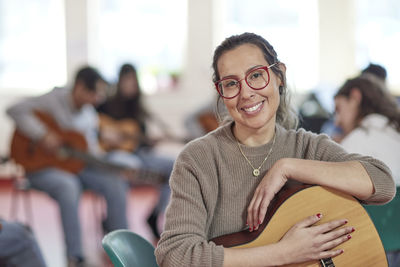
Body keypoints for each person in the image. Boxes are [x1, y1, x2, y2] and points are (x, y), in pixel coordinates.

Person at [154, 32, 396, 267]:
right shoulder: (198, 158)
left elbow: (382, 183)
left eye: (256, 75)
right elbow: (176, 255)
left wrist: (287, 167)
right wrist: (283, 253)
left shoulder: (306, 146)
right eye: (230, 83)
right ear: (221, 93)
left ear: (279, 75)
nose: (246, 93)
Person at [6, 66, 129, 267]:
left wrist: (112, 162)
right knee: (68, 185)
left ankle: (124, 249)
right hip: (40, 166)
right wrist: (42, 134)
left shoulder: (90, 116)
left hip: (76, 166)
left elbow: (91, 153)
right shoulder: (52, 99)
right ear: (79, 87)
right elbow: (13, 110)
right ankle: (76, 258)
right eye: (93, 93)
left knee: (114, 181)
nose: (97, 99)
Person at [96, 63, 175, 240]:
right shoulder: (105, 105)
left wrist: (151, 143)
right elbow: (94, 127)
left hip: (138, 154)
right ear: (120, 81)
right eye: (127, 80)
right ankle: (116, 224)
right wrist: (107, 134)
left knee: (174, 166)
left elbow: (139, 140)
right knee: (127, 167)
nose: (131, 84)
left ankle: (155, 214)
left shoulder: (138, 107)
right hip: (115, 155)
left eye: (133, 80)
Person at [334, 76, 400, 267]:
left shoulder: (358, 140)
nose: (337, 121)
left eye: (338, 109)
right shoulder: (394, 131)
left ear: (355, 97)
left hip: (369, 249)